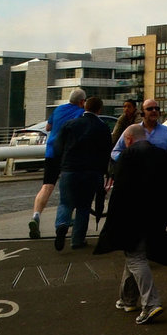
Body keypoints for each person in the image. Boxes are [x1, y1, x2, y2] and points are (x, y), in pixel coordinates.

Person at [95, 121, 167, 324]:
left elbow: (120, 191)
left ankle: (150, 303)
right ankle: (128, 299)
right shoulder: (163, 155)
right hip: (156, 215)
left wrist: (112, 221)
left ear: (129, 139)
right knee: (133, 255)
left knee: (135, 258)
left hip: (131, 216)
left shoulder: (127, 156)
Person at [52, 96, 112, 250]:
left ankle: (61, 226)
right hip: (92, 172)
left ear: (85, 107)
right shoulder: (103, 128)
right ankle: (77, 240)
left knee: (65, 202)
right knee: (84, 206)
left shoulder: (70, 124)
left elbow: (58, 147)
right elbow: (107, 152)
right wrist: (105, 172)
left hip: (70, 169)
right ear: (99, 109)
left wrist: (63, 163)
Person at [30, 88, 86, 238]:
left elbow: (48, 127)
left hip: (51, 151)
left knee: (47, 186)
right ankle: (68, 217)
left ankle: (36, 216)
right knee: (71, 185)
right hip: (68, 154)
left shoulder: (58, 109)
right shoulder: (80, 113)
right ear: (82, 102)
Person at [112, 99, 167, 187]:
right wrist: (126, 160)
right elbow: (115, 152)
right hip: (136, 180)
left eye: (156, 108)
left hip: (159, 179)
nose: (154, 111)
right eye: (150, 109)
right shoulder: (132, 130)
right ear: (142, 113)